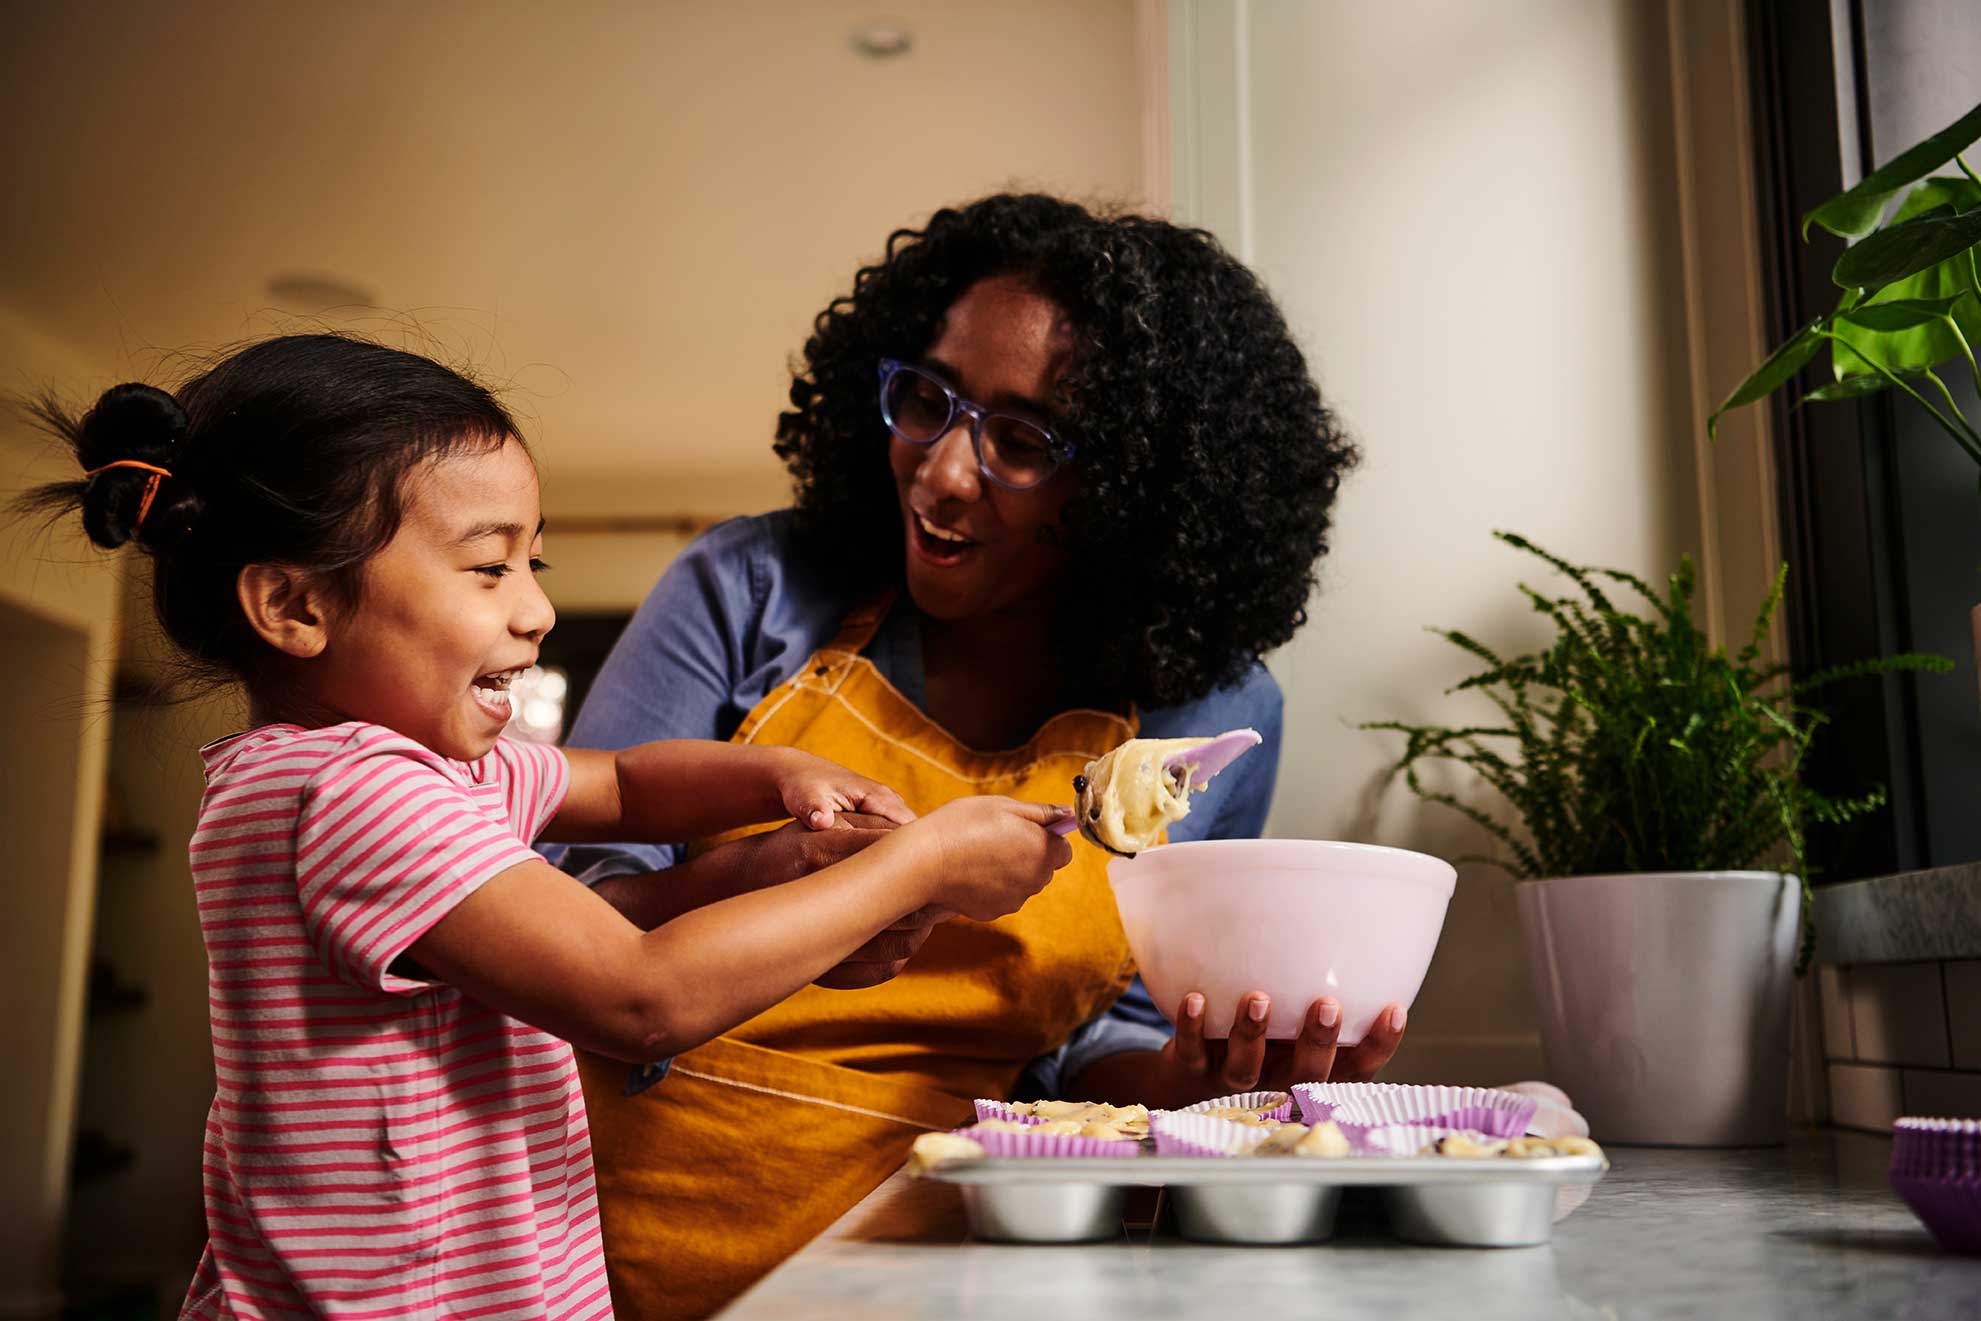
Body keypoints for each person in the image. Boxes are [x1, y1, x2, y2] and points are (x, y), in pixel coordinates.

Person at [27, 333, 1075, 1320]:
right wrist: (920, 859)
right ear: (295, 607)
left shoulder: (422, 773)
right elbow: (641, 995)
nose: (529, 609)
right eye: (488, 567)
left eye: (538, 565)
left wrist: (781, 787)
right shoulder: (348, 795)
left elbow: (621, 786)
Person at [555, 194, 1407, 1317]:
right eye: (928, 400)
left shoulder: (1209, 713)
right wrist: (814, 878)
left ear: (1135, 491)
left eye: (1021, 438)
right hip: (620, 1249)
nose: (944, 471)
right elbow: (564, 925)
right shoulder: (748, 591)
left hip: (960, 1268)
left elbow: (1097, 1038)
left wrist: (1184, 1083)